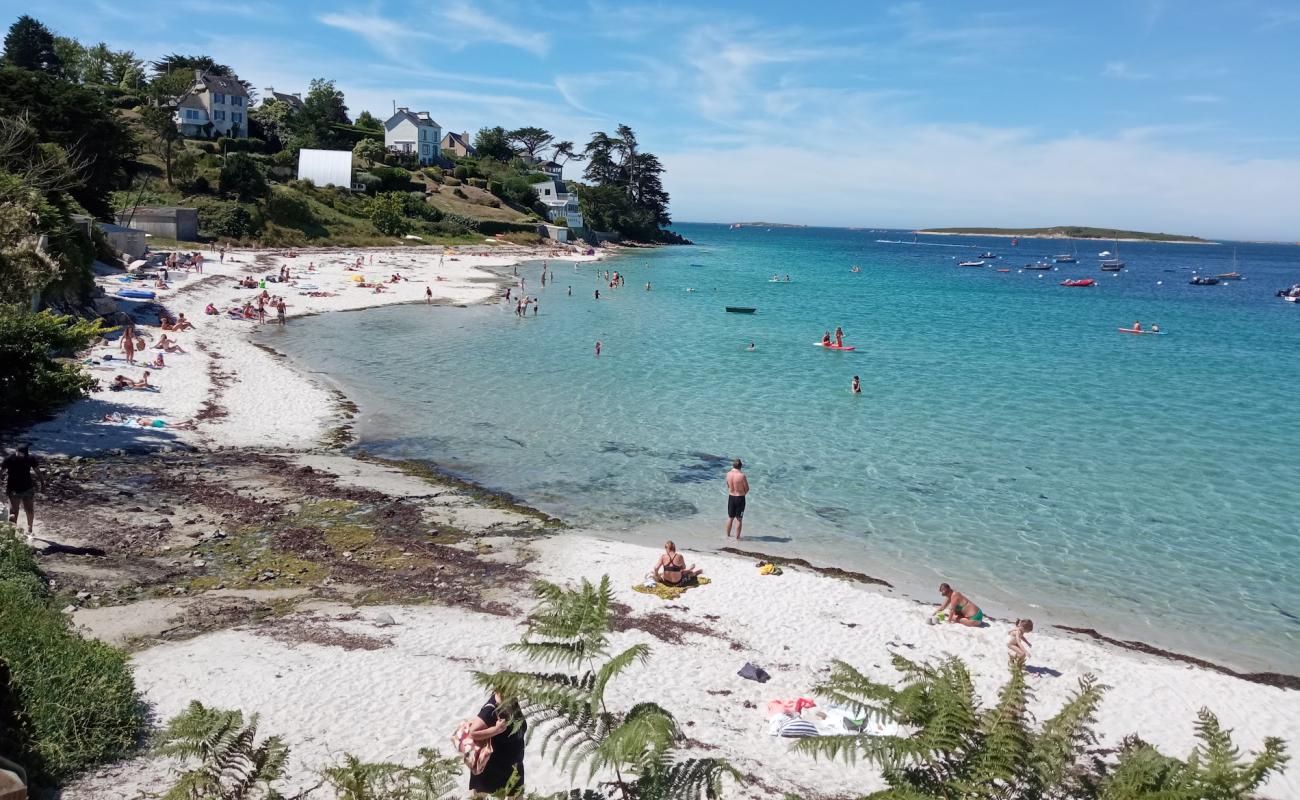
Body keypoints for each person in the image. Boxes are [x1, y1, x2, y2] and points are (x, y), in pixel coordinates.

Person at [467, 693, 526, 799]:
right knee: (479, 796)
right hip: (492, 769)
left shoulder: (512, 701)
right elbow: (473, 733)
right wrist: (496, 730)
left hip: (515, 767)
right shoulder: (491, 709)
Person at [2, 444, 43, 538]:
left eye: (25, 453)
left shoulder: (30, 458)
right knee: (13, 513)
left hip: (28, 488)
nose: (23, 455)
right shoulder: (9, 459)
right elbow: (1, 471)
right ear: (16, 451)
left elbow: (37, 471)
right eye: (21, 453)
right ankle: (11, 534)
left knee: (29, 510)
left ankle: (30, 529)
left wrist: (43, 483)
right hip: (13, 489)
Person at [725, 458, 749, 539]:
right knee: (739, 519)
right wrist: (743, 494)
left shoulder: (728, 474)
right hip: (740, 498)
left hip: (731, 497)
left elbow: (728, 485)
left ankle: (727, 536)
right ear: (741, 466)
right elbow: (747, 488)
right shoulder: (742, 476)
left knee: (730, 517)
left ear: (733, 465)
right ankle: (737, 538)